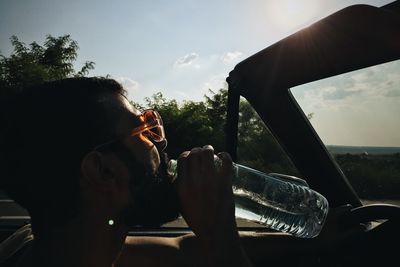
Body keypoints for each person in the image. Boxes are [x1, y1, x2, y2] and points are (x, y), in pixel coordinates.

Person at [0, 77, 252, 267]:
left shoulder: (43, 244)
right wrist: (221, 237)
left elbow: (180, 249)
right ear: (103, 172)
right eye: (142, 132)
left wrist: (216, 232)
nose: (160, 144)